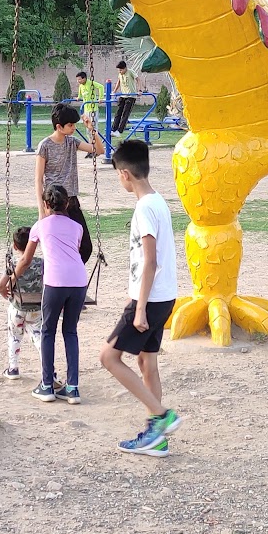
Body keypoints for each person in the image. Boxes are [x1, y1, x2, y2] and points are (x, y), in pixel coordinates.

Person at [100, 139, 182, 457]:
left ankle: (161, 417)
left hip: (151, 299)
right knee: (147, 363)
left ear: (124, 174)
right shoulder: (157, 201)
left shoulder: (145, 208)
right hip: (161, 296)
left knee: (108, 357)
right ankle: (156, 440)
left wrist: (139, 308)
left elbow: (150, 260)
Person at [7, 184, 89, 403]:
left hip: (56, 282)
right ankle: (72, 388)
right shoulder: (77, 227)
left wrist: (12, 279)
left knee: (48, 331)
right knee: (70, 331)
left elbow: (25, 260)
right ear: (67, 204)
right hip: (79, 281)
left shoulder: (40, 226)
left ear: (45, 205)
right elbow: (74, 250)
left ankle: (47, 385)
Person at [0, 226, 44, 379]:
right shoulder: (43, 263)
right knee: (38, 337)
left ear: (15, 246)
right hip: (36, 308)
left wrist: (4, 292)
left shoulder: (14, 263)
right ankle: (48, 368)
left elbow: (0, 286)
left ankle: (13, 368)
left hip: (17, 308)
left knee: (14, 336)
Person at [34, 103, 102, 207]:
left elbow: (99, 150)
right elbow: (38, 180)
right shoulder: (45, 146)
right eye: (70, 125)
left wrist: (91, 129)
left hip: (71, 199)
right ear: (59, 127)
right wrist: (41, 210)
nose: (74, 128)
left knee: (79, 224)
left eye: (74, 124)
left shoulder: (72, 142)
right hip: (54, 200)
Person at [112, 59, 138, 134]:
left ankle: (119, 131)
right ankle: (113, 129)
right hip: (123, 95)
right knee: (118, 113)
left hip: (131, 96)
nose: (119, 72)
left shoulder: (130, 72)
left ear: (125, 68)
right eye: (119, 70)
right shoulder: (120, 74)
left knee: (125, 113)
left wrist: (140, 90)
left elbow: (138, 80)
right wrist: (114, 91)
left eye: (121, 70)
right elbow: (118, 82)